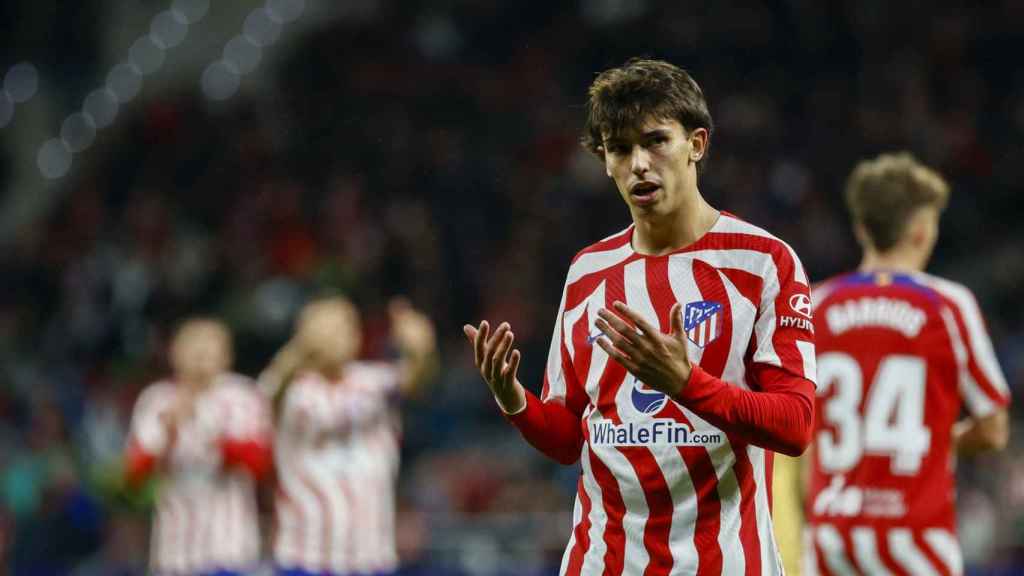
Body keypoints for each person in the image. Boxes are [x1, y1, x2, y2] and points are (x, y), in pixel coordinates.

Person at [463, 58, 818, 575]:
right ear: (603, 160)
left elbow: (795, 424)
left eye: (656, 141)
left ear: (696, 144)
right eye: (620, 148)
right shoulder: (588, 271)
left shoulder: (763, 263)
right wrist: (515, 400)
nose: (639, 164)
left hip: (725, 563)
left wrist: (685, 382)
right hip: (603, 562)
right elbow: (568, 439)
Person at [804, 152, 1010, 575]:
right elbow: (993, 429)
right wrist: (928, 441)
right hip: (916, 542)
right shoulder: (947, 306)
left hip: (831, 538)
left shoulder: (815, 305)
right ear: (921, 230)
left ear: (861, 229)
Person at [261, 296, 436, 576]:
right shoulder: (292, 388)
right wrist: (299, 351)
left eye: (345, 327)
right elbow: (268, 395)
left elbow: (416, 379)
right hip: (303, 555)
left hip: (369, 554)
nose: (337, 335)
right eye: (326, 327)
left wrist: (420, 348)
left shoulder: (373, 380)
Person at [125, 318, 272, 576]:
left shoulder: (242, 395)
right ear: (175, 354)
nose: (201, 356)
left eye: (210, 348)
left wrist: (204, 422)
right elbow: (134, 475)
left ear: (227, 356)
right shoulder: (156, 399)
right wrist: (167, 434)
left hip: (230, 547)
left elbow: (259, 464)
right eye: (193, 348)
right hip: (174, 550)